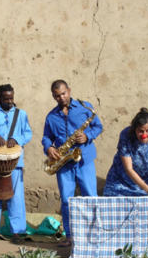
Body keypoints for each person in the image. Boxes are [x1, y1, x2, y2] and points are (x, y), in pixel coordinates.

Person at [41, 80, 103, 247]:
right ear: (53, 96)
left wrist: (87, 136)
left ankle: (95, 233)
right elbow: (46, 137)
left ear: (69, 90)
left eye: (63, 93)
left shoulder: (85, 108)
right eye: (57, 96)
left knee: (90, 197)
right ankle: (70, 236)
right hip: (64, 163)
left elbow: (98, 126)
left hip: (85, 159)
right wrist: (48, 148)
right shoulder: (51, 116)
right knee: (67, 200)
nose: (61, 98)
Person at [0, 84, 33, 241]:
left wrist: (16, 139)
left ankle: (18, 231)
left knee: (16, 197)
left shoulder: (21, 114)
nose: (10, 101)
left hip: (15, 162)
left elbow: (28, 133)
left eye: (11, 97)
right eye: (6, 98)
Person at [103, 109, 148, 198]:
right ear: (135, 129)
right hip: (123, 180)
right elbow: (129, 169)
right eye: (141, 131)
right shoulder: (126, 135)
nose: (144, 135)